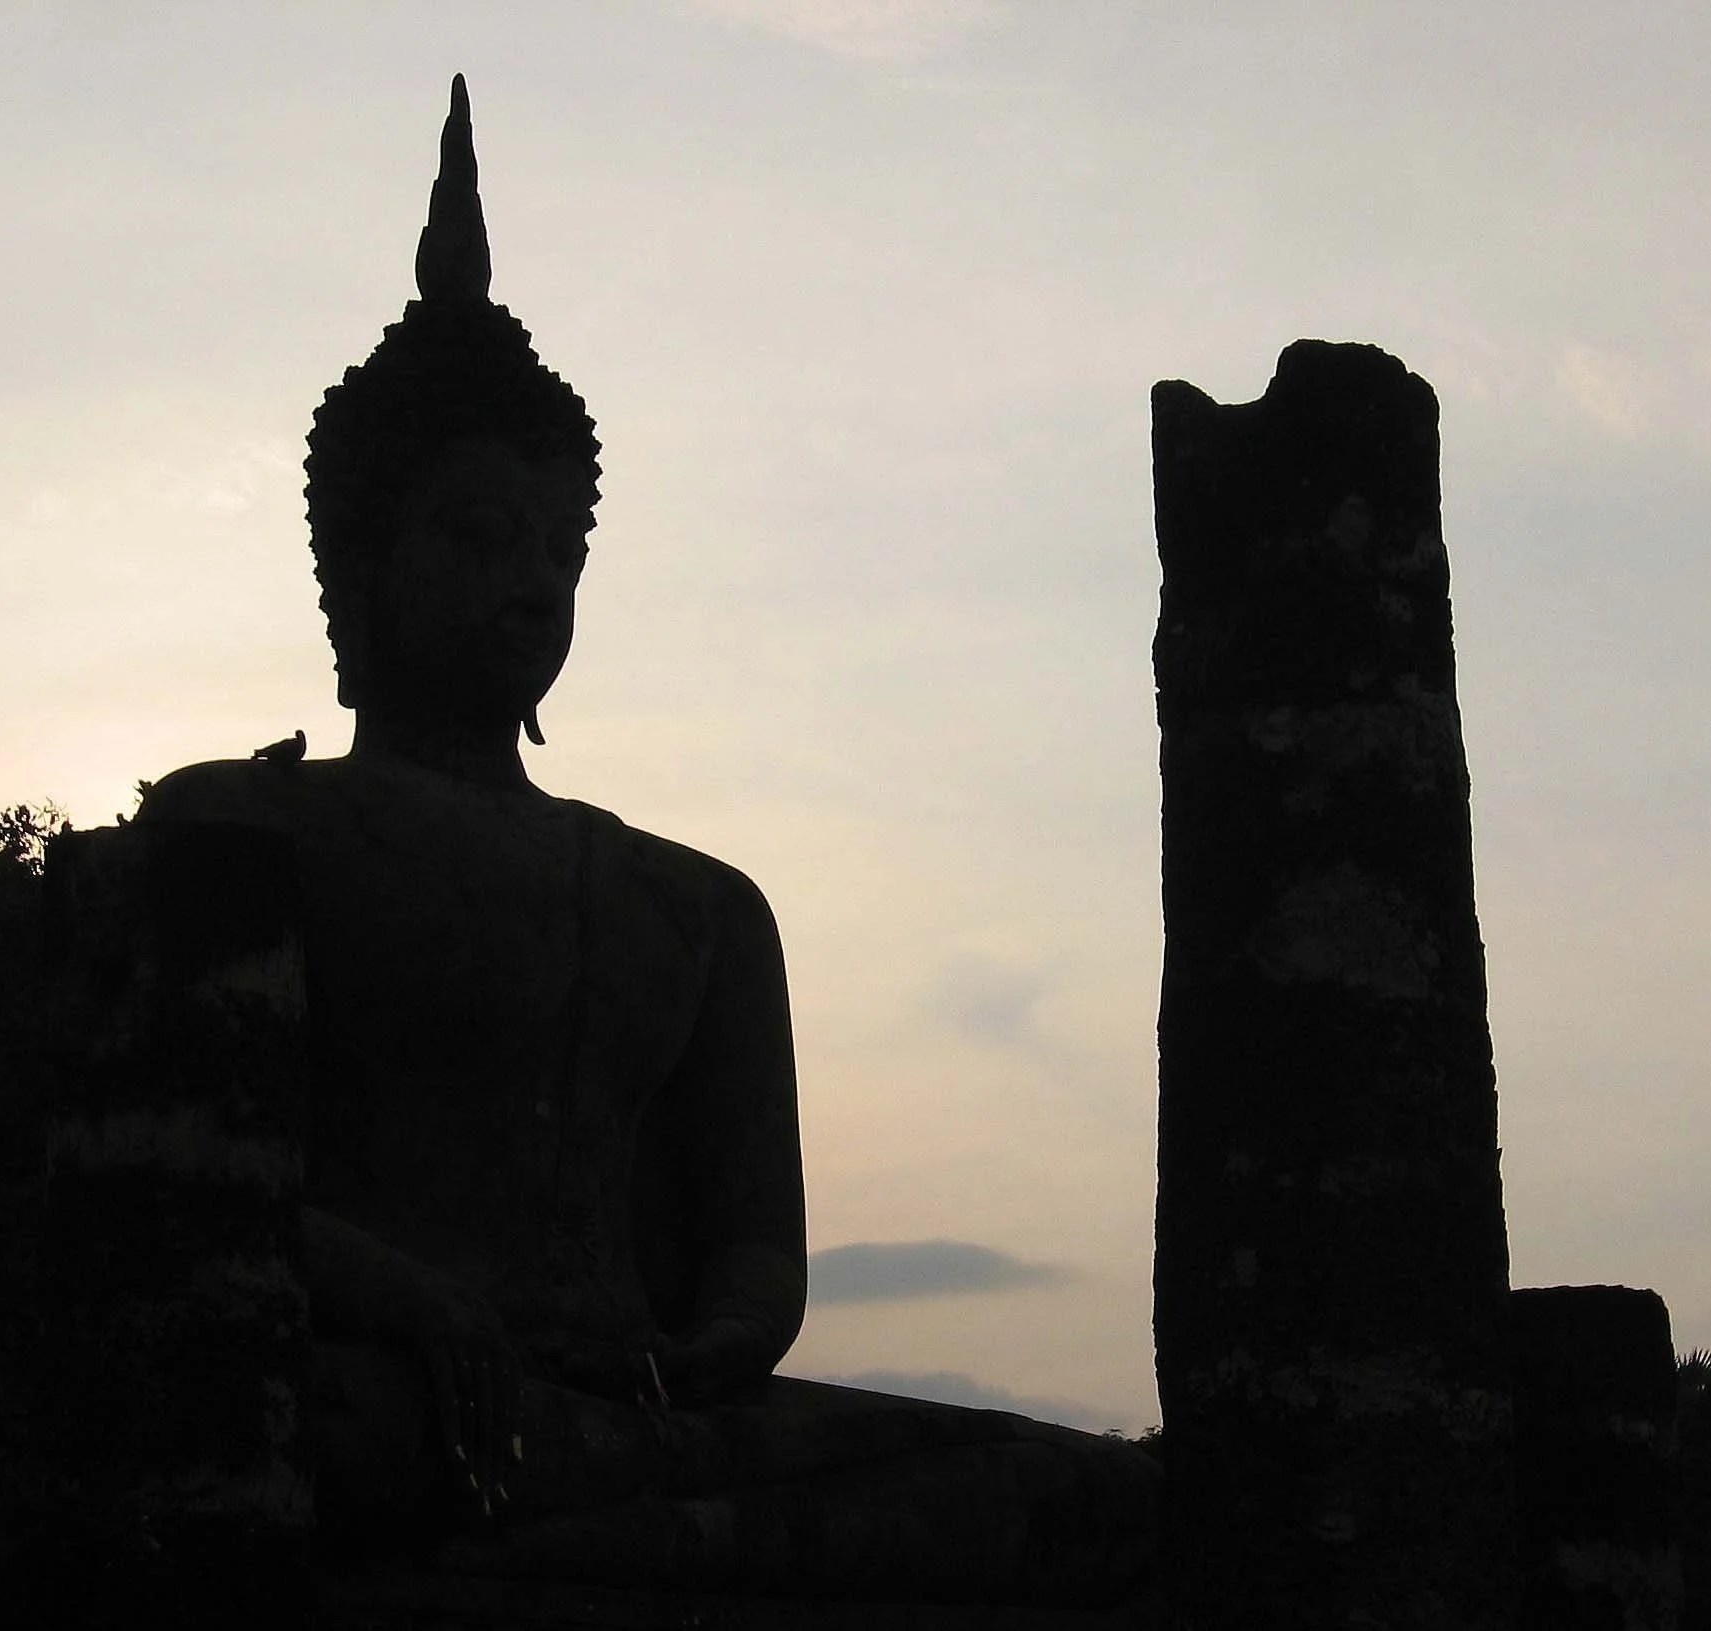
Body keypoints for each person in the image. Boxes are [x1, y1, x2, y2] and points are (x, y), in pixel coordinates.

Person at [139, 77, 1156, 1605]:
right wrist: (405, 1295)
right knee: (338, 1437)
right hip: (399, 1393)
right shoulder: (250, 829)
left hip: (639, 1419)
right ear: (357, 566)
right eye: (476, 538)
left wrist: (705, 1349)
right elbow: (179, 1194)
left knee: (1067, 1490)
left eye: (558, 549)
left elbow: (756, 1257)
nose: (528, 586)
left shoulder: (695, 907)